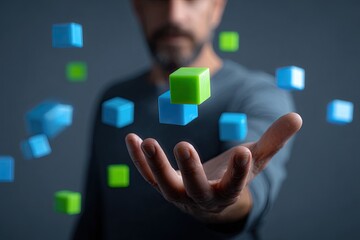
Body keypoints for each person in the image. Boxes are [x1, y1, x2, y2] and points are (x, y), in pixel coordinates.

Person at [73, 0, 302, 239]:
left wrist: (221, 202)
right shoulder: (114, 97)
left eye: (191, 0)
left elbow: (255, 190)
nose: (174, 16)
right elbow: (93, 217)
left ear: (216, 9)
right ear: (139, 10)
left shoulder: (256, 93)